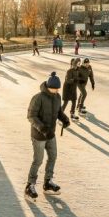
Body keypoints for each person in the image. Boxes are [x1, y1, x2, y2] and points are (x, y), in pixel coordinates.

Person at [25, 72, 71, 201]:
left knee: (53, 156)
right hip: (39, 136)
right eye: (54, 88)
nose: (56, 91)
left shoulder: (57, 97)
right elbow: (31, 116)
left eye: (57, 89)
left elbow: (58, 112)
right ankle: (30, 185)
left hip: (51, 134)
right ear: (48, 86)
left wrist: (65, 119)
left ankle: (48, 182)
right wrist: (43, 129)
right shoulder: (38, 98)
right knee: (38, 160)